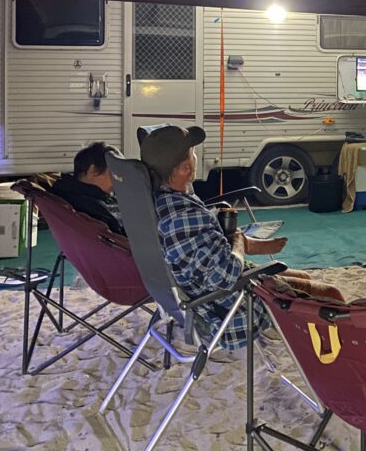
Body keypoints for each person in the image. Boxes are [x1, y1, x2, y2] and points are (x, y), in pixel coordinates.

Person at [140, 124, 343, 350]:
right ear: (185, 168)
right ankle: (342, 356)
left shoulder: (162, 202)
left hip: (205, 292)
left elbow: (203, 255)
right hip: (231, 307)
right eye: (193, 153)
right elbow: (226, 276)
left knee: (303, 277)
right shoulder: (184, 217)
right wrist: (238, 240)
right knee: (331, 295)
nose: (196, 157)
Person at [52, 142, 126, 235]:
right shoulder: (94, 208)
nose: (118, 181)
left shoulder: (64, 190)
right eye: (114, 174)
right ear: (93, 171)